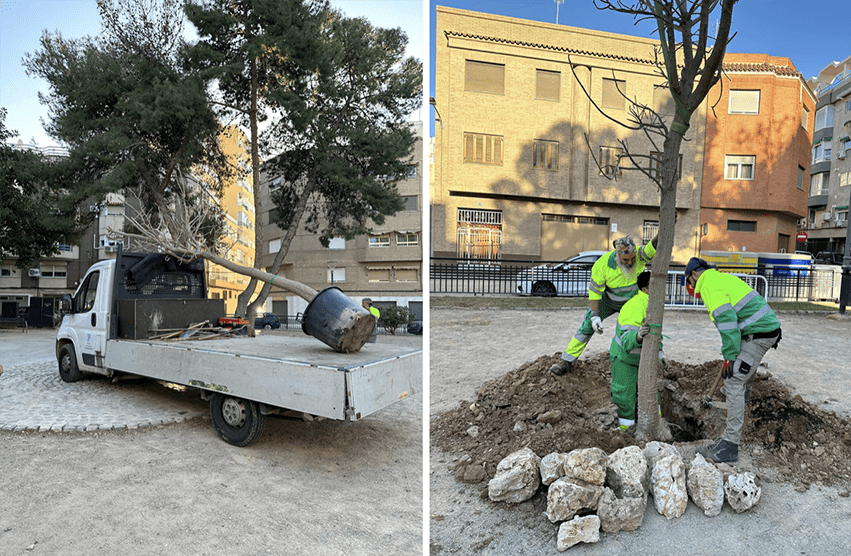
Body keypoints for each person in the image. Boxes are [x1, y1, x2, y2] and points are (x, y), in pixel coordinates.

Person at [685, 257, 782, 464]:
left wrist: (729, 358)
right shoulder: (718, 279)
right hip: (761, 328)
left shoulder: (709, 287)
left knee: (734, 379)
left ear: (694, 274)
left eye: (689, 281)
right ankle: (742, 401)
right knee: (744, 367)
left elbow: (728, 326)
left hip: (759, 333)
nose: (691, 286)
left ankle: (729, 445)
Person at [550, 234, 658, 376]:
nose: (630, 262)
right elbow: (594, 293)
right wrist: (595, 316)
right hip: (608, 301)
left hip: (632, 301)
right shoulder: (602, 265)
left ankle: (641, 362)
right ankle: (567, 361)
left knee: (638, 329)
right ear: (617, 255)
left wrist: (663, 229)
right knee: (587, 325)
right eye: (625, 260)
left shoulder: (639, 254)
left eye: (632, 258)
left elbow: (653, 246)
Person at [609, 271, 669, 433]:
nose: (663, 290)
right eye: (656, 286)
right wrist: (637, 336)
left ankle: (656, 428)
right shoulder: (634, 307)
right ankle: (626, 432)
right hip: (624, 358)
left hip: (643, 359)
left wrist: (660, 352)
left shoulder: (653, 306)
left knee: (650, 392)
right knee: (625, 395)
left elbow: (656, 333)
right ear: (645, 289)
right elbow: (627, 341)